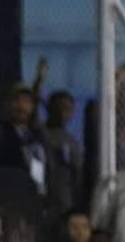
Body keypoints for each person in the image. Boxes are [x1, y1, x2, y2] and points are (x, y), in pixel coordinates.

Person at [0, 84, 48, 197]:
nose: (21, 106)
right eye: (16, 101)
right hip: (7, 198)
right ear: (7, 105)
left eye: (26, 101)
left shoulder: (38, 135)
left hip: (34, 197)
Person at [42, 91, 85, 222]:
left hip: (63, 203)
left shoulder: (72, 142)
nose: (62, 113)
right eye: (58, 108)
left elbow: (78, 174)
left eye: (67, 109)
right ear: (49, 109)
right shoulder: (37, 135)